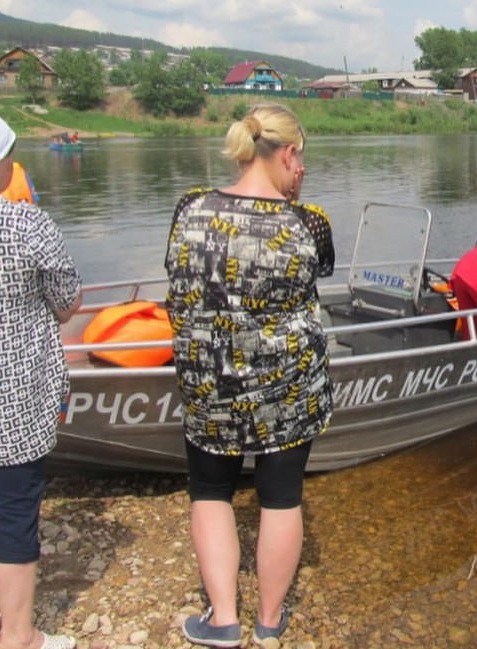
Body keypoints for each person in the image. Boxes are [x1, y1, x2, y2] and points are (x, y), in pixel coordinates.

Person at [165, 103, 334, 648]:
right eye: (300, 160)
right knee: (280, 497)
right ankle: (268, 620)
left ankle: (222, 620)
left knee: (210, 491)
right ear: (287, 154)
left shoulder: (190, 206)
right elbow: (317, 274)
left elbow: (179, 275)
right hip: (286, 387)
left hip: (209, 382)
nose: (301, 171)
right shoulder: (308, 222)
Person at [0, 107, 82, 649]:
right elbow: (68, 301)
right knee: (11, 518)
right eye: (8, 155)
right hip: (12, 399)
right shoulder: (23, 223)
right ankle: (20, 636)